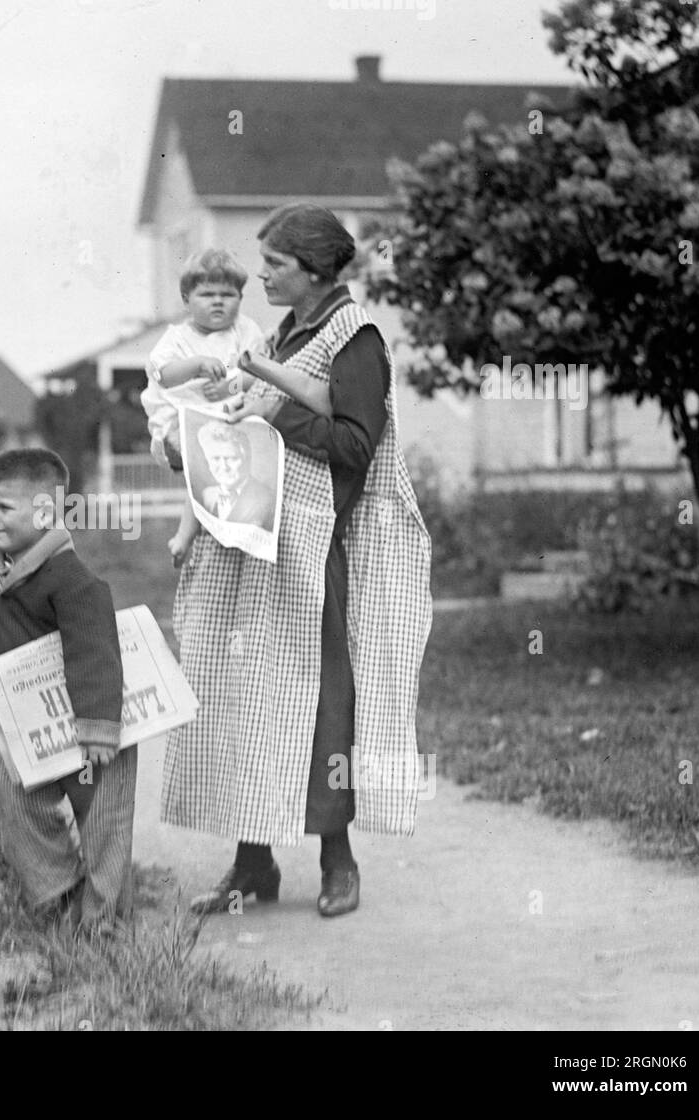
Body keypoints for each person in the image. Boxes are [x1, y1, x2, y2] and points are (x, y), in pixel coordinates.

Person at [162, 203, 432, 920]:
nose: (261, 275)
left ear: (313, 269)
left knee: (321, 705)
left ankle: (338, 861)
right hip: (260, 545)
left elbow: (353, 445)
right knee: (250, 700)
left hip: (320, 551)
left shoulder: (356, 337)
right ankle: (254, 867)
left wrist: (272, 412)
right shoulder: (283, 333)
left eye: (275, 264)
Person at [0, 388, 135, 933]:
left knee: (103, 818)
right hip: (28, 722)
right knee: (19, 804)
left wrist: (99, 729)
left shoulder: (72, 579)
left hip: (91, 727)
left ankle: (104, 915)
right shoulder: (3, 555)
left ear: (45, 512)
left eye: (4, 509)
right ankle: (61, 894)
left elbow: (96, 653)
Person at [141, 248, 333, 565]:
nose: (218, 301)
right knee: (199, 463)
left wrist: (228, 385)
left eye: (228, 295)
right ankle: (186, 532)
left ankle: (230, 530)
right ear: (186, 300)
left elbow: (258, 374)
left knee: (226, 469)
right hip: (184, 420)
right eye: (206, 294)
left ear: (240, 299)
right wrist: (196, 365)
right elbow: (163, 375)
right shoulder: (176, 338)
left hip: (233, 418)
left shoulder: (245, 331)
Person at [194, 421, 275, 531]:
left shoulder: (267, 498)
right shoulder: (207, 495)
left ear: (247, 459)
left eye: (231, 458)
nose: (224, 467)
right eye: (216, 459)